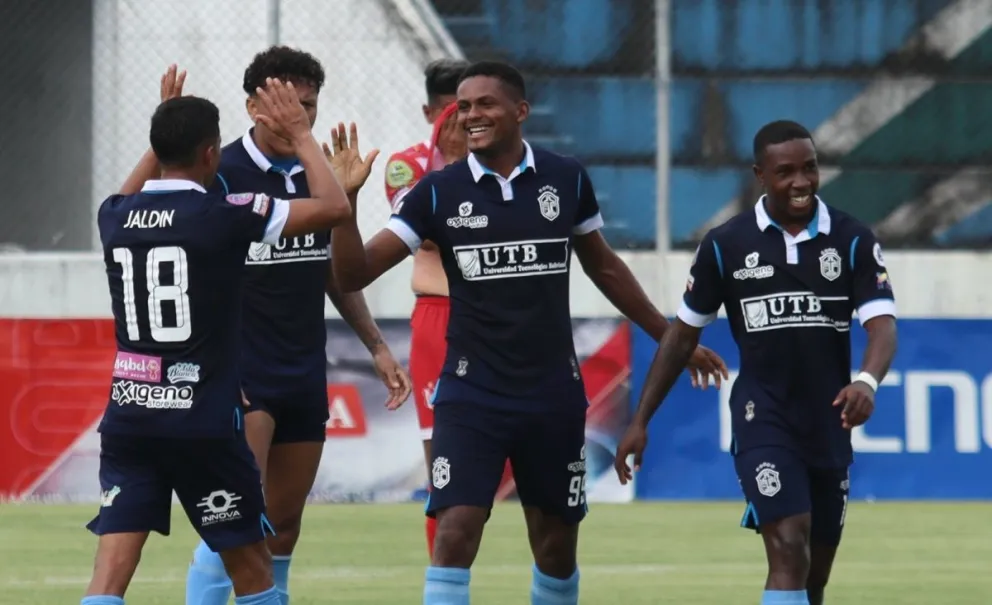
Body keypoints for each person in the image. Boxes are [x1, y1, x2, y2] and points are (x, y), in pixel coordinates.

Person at [328, 60, 728, 605]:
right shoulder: (438, 192)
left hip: (551, 393)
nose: (471, 116)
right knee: (454, 532)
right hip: (471, 393)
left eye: (485, 104)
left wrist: (669, 337)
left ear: (519, 111)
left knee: (556, 546)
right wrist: (346, 205)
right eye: (463, 107)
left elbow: (605, 267)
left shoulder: (565, 178)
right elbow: (353, 273)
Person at [83, 75, 352, 605]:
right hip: (204, 420)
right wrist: (300, 134)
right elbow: (333, 207)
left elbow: (129, 190)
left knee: (110, 571)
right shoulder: (224, 216)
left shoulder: (113, 216)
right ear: (212, 154)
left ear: (160, 150)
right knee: (253, 568)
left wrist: (164, 130)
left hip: (131, 417)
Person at [614, 120, 898, 605]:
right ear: (759, 175)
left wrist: (867, 381)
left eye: (809, 168)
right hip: (761, 419)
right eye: (785, 171)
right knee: (789, 548)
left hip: (829, 423)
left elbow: (882, 326)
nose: (801, 182)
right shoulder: (726, 245)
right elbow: (682, 337)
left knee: (814, 577)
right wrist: (640, 420)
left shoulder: (852, 239)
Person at [178, 47, 411, 605]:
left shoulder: (321, 177)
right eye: (288, 105)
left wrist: (376, 345)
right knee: (234, 524)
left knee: (282, 528)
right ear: (254, 105)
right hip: (240, 374)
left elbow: (336, 270)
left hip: (303, 372)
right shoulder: (219, 172)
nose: (299, 118)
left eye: (308, 105)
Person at [383, 58, 489, 557]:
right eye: (451, 110)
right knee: (443, 460)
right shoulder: (406, 165)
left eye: (468, 109)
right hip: (441, 316)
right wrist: (448, 166)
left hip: (504, 318)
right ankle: (444, 580)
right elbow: (425, 235)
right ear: (429, 111)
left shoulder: (503, 163)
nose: (461, 122)